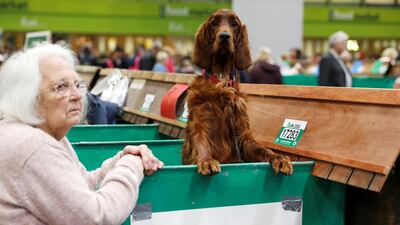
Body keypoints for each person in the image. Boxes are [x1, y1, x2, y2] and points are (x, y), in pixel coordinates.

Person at [0, 43, 164, 224]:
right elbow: (96, 217)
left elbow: (80, 185)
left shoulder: (37, 132)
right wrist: (131, 165)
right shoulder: (33, 146)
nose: (77, 95)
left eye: (77, 84)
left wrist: (121, 159)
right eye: (61, 86)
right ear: (29, 97)